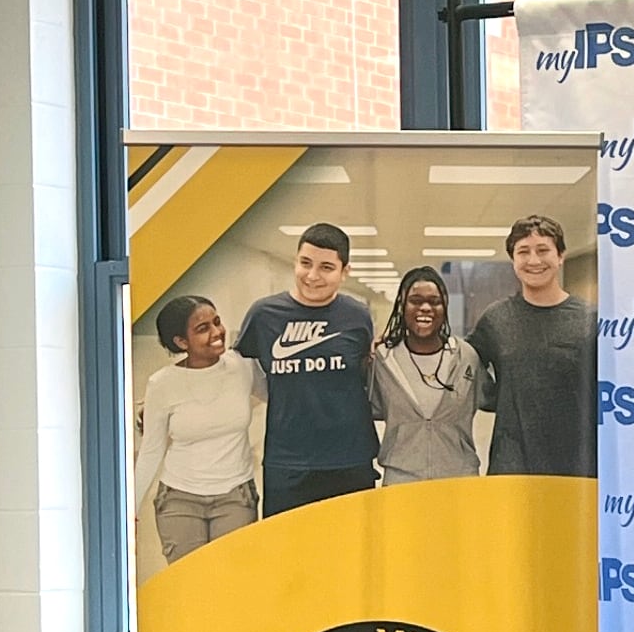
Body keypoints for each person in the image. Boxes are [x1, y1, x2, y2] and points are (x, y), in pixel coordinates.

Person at [235, 220, 379, 515]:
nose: (312, 276)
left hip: (349, 461)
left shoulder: (357, 316)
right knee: (289, 557)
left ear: (344, 271)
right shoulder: (264, 315)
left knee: (350, 555)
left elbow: (369, 373)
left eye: (326, 267)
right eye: (305, 263)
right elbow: (229, 372)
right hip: (288, 464)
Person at [133, 293, 262, 566]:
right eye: (203, 329)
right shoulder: (162, 384)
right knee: (189, 588)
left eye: (217, 322)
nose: (217, 332)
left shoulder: (242, 366)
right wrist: (130, 508)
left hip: (235, 497)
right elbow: (151, 450)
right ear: (182, 342)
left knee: (231, 583)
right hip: (180, 500)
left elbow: (285, 396)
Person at [468, 215, 595, 478]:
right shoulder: (496, 319)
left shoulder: (590, 319)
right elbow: (460, 362)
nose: (534, 260)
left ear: (561, 256)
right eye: (523, 251)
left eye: (543, 250)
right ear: (513, 260)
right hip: (512, 461)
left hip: (576, 463)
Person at [371, 267, 482, 485]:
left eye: (434, 301)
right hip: (401, 479)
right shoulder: (382, 359)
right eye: (415, 300)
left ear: (445, 307)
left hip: (459, 477)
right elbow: (373, 406)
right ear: (402, 305)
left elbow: (484, 397)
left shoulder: (466, 356)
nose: (425, 308)